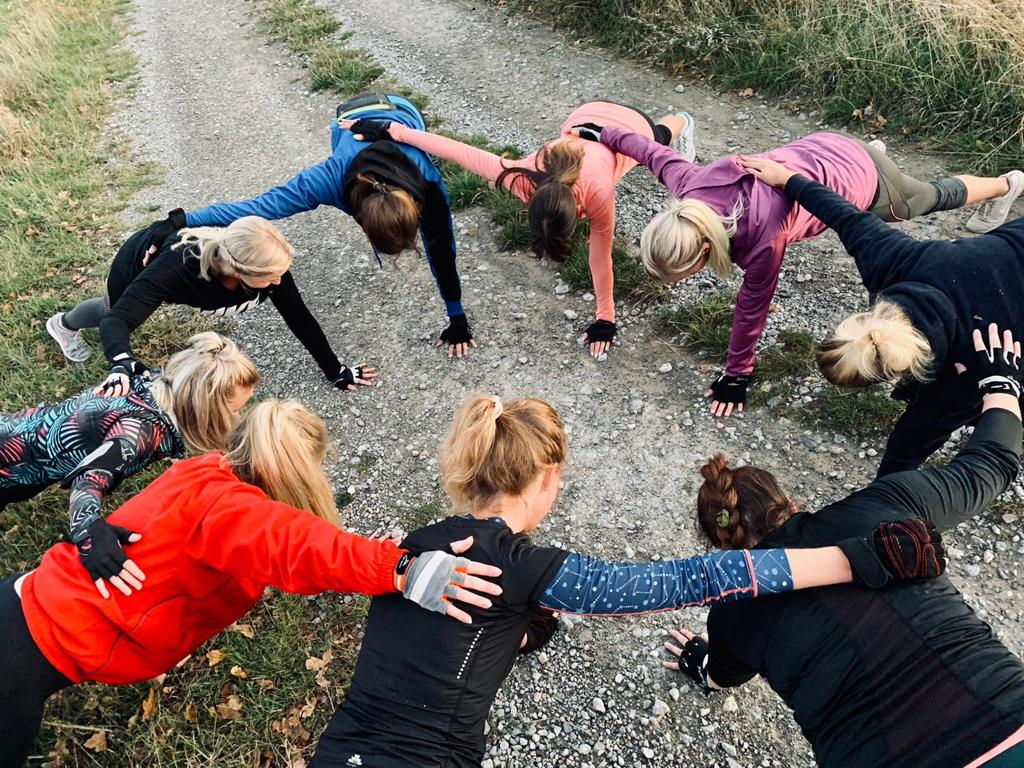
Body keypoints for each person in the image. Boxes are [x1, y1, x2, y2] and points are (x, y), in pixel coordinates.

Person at [308, 393, 945, 767]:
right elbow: (682, 581)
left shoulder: (418, 547)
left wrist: (519, 633)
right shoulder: (523, 566)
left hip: (344, 747)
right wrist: (855, 559)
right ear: (549, 478)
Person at [0, 399, 504, 768]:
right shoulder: (229, 508)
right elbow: (298, 546)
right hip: (27, 655)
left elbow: (281, 543)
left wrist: (373, 554)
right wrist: (403, 569)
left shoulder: (205, 472)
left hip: (27, 606)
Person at [666, 324, 1024, 768]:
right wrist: (1000, 381)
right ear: (790, 503)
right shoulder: (890, 503)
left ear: (725, 544)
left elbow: (722, 676)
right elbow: (990, 465)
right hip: (1006, 715)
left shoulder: (732, 606)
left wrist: (701, 662)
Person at [571, 120, 1023, 416]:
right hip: (818, 149)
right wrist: (605, 133)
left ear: (705, 248)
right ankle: (868, 151)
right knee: (876, 182)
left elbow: (752, 309)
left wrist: (736, 374)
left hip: (857, 178)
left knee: (921, 201)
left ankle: (1005, 185)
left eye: (682, 274)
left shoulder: (763, 238)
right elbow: (651, 152)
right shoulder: (689, 187)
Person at [342, 103, 697, 359]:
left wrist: (606, 315)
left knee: (658, 140)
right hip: (582, 117)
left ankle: (684, 119)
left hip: (626, 128)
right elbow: (456, 150)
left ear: (581, 214)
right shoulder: (518, 178)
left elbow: (600, 254)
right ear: (530, 197)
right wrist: (391, 130)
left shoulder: (599, 193)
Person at [741, 154, 1024, 475]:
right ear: (865, 319)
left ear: (891, 376)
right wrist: (788, 178)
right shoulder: (894, 260)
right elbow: (845, 215)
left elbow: (909, 446)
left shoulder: (966, 372)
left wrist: (883, 493)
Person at [137, 93, 476, 358]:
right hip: (349, 121)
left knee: (438, 232)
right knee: (344, 142)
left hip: (403, 115)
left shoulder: (429, 184)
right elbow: (260, 206)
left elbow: (442, 250)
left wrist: (457, 318)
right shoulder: (329, 179)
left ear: (416, 205)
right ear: (359, 214)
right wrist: (179, 220)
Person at [1, 332, 258, 596]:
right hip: (11, 466)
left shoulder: (153, 383)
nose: (236, 417)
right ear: (205, 409)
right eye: (233, 410)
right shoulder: (141, 433)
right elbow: (88, 478)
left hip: (20, 439)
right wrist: (90, 533)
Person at [46, 215, 375, 397]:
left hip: (183, 259)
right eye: (272, 276)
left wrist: (335, 370)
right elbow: (117, 322)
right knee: (110, 310)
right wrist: (122, 362)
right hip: (139, 262)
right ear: (239, 271)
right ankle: (63, 325)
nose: (280, 280)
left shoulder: (266, 266)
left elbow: (299, 317)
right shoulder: (175, 269)